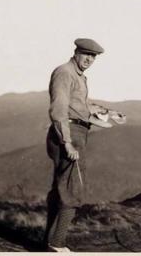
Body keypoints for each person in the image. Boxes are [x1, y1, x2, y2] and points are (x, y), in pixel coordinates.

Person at [43, 38, 104, 252]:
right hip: (69, 134)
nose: (89, 59)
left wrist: (98, 113)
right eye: (86, 54)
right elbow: (59, 109)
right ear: (76, 52)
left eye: (93, 56)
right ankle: (56, 244)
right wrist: (67, 143)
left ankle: (49, 241)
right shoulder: (65, 73)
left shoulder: (79, 76)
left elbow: (78, 105)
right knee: (72, 189)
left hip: (77, 132)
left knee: (62, 187)